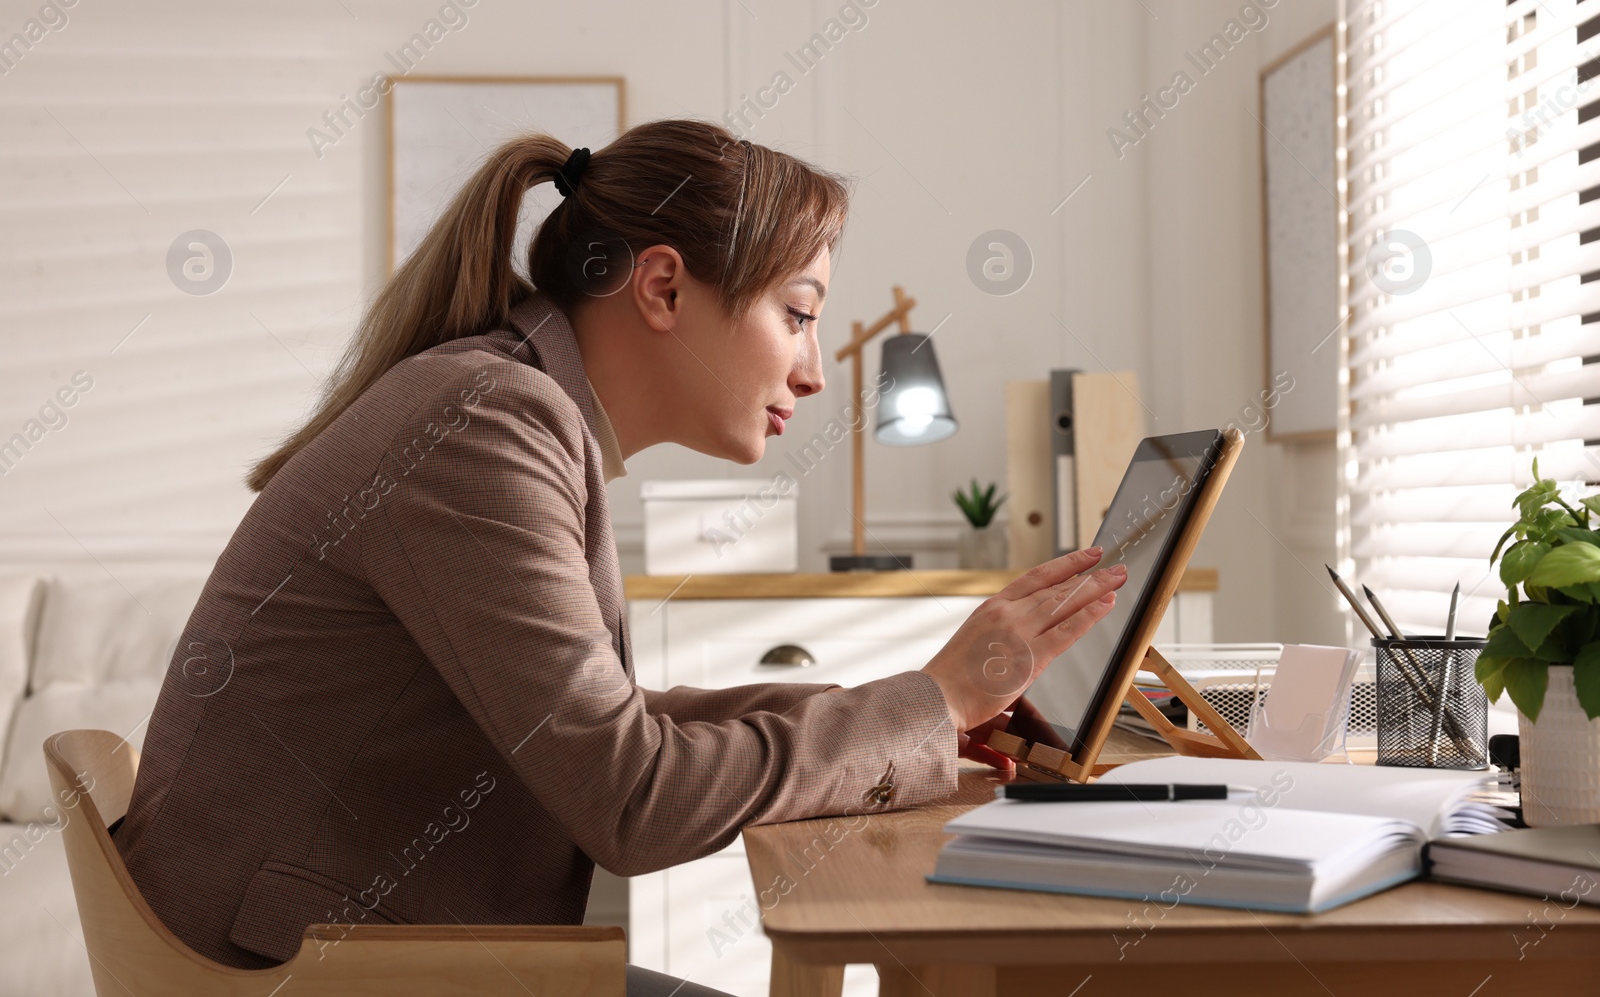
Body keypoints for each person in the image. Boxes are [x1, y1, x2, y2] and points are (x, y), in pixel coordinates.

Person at [111, 118, 1125, 996]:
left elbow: (615, 730)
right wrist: (927, 705)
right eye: (800, 313)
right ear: (663, 287)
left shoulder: (507, 407)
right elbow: (633, 797)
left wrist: (916, 708)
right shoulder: (481, 423)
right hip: (303, 972)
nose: (816, 371)